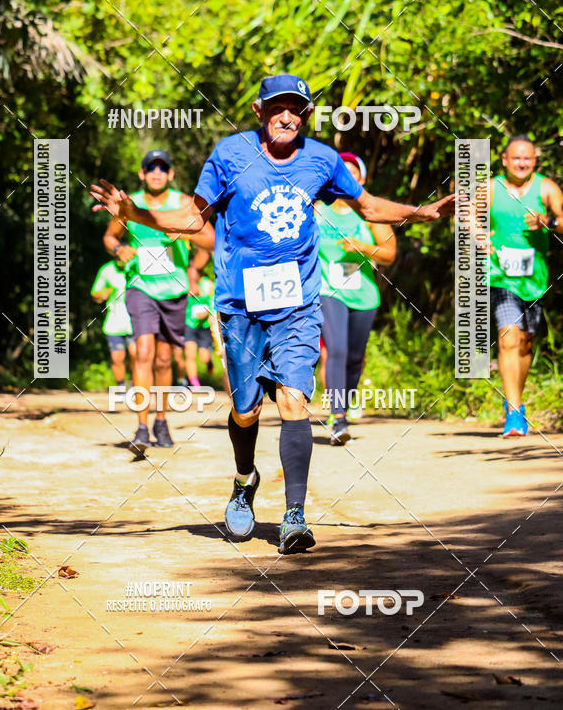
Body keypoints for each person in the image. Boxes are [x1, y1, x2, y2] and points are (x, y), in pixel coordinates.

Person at [91, 74, 454, 553]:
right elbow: (193, 218)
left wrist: (425, 212)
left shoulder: (322, 159)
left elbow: (367, 207)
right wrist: (133, 213)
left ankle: (294, 516)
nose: (287, 116)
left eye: (297, 109)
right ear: (259, 111)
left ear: (307, 115)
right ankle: (244, 479)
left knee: (293, 401)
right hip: (239, 304)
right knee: (246, 411)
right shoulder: (230, 154)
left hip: (298, 303)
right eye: (278, 107)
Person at [102, 150, 214, 454]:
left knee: (164, 359)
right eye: (150, 167)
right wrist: (119, 250)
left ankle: (161, 421)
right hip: (140, 287)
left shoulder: (183, 203)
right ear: (141, 174)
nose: (156, 172)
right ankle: (141, 427)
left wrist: (182, 232)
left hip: (174, 290)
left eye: (162, 167)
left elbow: (211, 240)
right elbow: (110, 237)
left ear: (171, 174)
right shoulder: (130, 204)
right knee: (143, 352)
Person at [317, 152, 396, 445]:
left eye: (353, 174)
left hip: (364, 295)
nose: (347, 179)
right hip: (328, 290)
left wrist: (362, 246)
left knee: (354, 359)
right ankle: (338, 418)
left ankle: (342, 408)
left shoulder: (371, 212)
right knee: (335, 349)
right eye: (341, 173)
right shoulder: (317, 210)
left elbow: (389, 254)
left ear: (362, 180)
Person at [486, 135, 563, 436]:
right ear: (504, 160)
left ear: (534, 161)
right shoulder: (491, 188)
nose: (522, 163)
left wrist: (548, 222)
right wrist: (479, 236)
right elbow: (469, 218)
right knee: (508, 337)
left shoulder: (546, 188)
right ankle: (514, 412)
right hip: (499, 276)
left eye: (527, 158)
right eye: (516, 158)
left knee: (525, 343)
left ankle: (515, 401)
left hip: (534, 280)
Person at [90, 256, 135, 388]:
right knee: (117, 357)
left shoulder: (137, 265)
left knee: (136, 354)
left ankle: (134, 384)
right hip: (114, 321)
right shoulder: (107, 269)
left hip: (135, 319)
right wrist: (102, 294)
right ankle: (121, 388)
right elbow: (95, 293)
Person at [184, 274, 215, 387]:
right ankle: (194, 384)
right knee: (189, 354)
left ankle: (209, 362)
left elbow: (212, 305)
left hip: (204, 327)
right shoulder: (185, 282)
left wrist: (206, 313)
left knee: (204, 358)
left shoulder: (209, 284)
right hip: (190, 324)